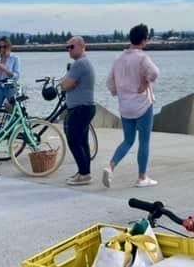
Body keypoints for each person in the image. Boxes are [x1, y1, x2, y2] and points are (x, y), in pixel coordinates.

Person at [103, 23, 159, 188]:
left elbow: (109, 82)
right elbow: (155, 73)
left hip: (125, 106)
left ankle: (110, 166)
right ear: (144, 40)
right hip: (142, 104)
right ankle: (142, 177)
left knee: (128, 140)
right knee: (144, 141)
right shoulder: (142, 57)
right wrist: (145, 81)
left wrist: (118, 92)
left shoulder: (118, 58)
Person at [59, 36, 96, 185]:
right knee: (82, 142)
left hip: (79, 109)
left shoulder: (79, 64)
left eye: (72, 47)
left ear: (82, 46)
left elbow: (64, 86)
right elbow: (68, 83)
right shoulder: (83, 63)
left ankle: (84, 174)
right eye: (67, 47)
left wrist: (66, 83)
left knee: (74, 141)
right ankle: (84, 172)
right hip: (85, 108)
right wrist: (68, 83)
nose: (69, 50)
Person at [0, 36, 20, 110]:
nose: (2, 49)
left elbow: (17, 76)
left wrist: (5, 70)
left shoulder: (15, 59)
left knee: (13, 110)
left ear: (9, 47)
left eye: (4, 46)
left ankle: (11, 121)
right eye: (0, 47)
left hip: (10, 87)